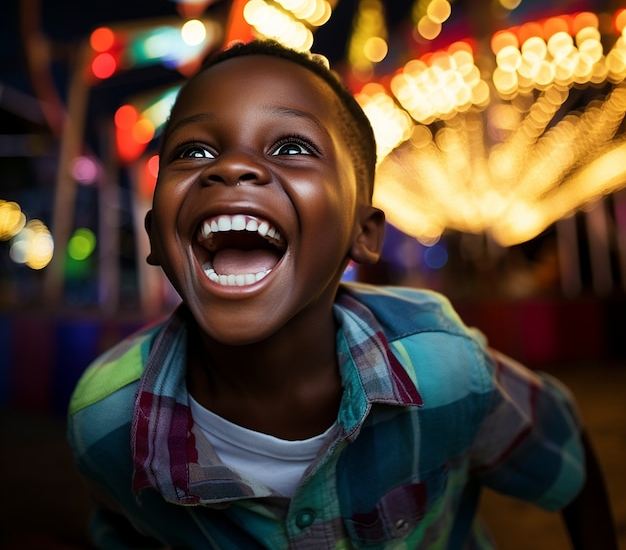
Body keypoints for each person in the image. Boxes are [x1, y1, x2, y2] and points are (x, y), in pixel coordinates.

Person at [67, 39, 618, 549]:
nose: (232, 166)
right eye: (193, 153)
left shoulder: (443, 364)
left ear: (364, 233)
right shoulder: (107, 423)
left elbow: (562, 448)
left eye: (290, 146)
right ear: (155, 237)